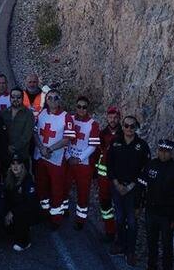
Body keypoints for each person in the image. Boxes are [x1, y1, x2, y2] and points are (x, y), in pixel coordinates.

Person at [137, 139, 174, 270]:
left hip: (167, 216)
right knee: (151, 243)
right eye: (161, 150)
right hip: (151, 212)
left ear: (171, 152)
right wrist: (138, 205)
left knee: (167, 248)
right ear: (158, 150)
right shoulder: (151, 165)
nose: (163, 153)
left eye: (166, 151)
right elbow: (141, 185)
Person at [106, 115, 150, 265]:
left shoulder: (143, 146)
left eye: (132, 126)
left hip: (134, 189)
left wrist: (131, 186)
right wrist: (117, 184)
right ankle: (120, 244)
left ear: (136, 127)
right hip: (117, 187)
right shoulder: (115, 142)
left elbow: (145, 170)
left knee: (132, 221)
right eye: (126, 125)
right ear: (122, 126)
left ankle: (130, 251)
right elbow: (109, 164)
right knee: (119, 218)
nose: (129, 129)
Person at [33, 90, 76, 229]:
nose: (52, 100)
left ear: (60, 99)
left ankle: (56, 218)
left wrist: (49, 149)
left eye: (55, 98)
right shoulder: (41, 113)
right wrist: (41, 148)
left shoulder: (66, 117)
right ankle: (43, 211)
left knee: (57, 188)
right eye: (49, 98)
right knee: (41, 185)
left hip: (56, 159)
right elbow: (34, 132)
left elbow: (67, 139)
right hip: (41, 156)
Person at [65, 95, 101, 229]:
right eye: (79, 106)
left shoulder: (93, 124)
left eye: (84, 107)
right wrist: (69, 157)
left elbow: (93, 146)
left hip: (84, 165)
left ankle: (80, 219)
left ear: (88, 109)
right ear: (75, 107)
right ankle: (63, 210)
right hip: (69, 161)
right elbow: (64, 140)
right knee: (64, 187)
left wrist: (79, 159)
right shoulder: (70, 120)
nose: (81, 109)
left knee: (83, 193)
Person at [94, 105, 122, 242]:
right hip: (103, 177)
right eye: (110, 117)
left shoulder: (125, 134)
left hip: (119, 177)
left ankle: (122, 233)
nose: (113, 120)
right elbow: (96, 153)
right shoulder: (101, 134)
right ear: (107, 117)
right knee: (105, 204)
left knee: (120, 205)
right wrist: (94, 172)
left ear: (119, 118)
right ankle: (110, 231)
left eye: (115, 117)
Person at [4, 153, 39, 251]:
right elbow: (6, 198)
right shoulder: (9, 178)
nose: (15, 166)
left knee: (21, 216)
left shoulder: (28, 180)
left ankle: (25, 242)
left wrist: (12, 213)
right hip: (14, 209)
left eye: (18, 164)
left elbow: (29, 203)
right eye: (13, 164)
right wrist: (7, 212)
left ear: (23, 166)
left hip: (26, 211)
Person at [2, 87, 35, 180]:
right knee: (7, 182)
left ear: (22, 98)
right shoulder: (4, 113)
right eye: (13, 96)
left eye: (18, 97)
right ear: (10, 98)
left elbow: (27, 136)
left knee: (22, 183)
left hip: (22, 156)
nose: (15, 99)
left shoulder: (28, 114)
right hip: (7, 155)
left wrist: (14, 147)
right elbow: (2, 133)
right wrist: (6, 146)